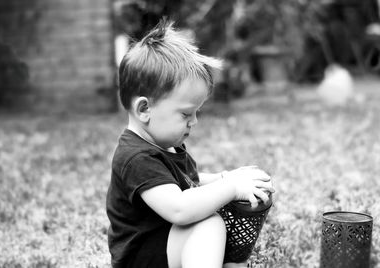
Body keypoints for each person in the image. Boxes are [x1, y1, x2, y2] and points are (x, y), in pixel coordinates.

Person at [106, 19, 275, 268]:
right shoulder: (136, 157)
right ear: (144, 109)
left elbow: (187, 181)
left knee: (213, 222)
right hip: (143, 259)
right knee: (208, 223)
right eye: (186, 114)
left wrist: (224, 177)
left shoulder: (166, 145)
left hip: (166, 248)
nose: (193, 121)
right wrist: (230, 188)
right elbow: (180, 208)